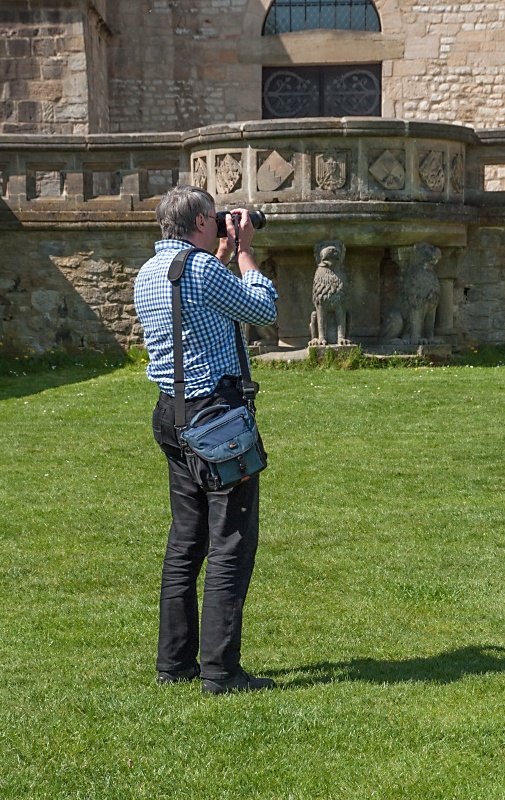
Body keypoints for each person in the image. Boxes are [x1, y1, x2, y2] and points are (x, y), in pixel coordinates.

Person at [134, 185, 278, 694]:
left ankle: (174, 665)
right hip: (216, 419)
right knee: (231, 542)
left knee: (185, 544)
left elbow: (195, 309)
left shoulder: (149, 272)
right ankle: (221, 672)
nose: (220, 224)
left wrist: (220, 254)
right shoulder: (204, 271)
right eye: (215, 219)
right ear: (199, 223)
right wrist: (244, 252)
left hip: (171, 416)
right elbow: (260, 310)